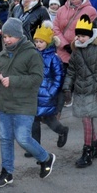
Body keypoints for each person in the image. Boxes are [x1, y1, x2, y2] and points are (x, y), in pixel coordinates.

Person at [0, 18, 56, 187]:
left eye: (10, 36)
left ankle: (45, 158)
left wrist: (13, 80)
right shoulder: (2, 54)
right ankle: (7, 172)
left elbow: (36, 79)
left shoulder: (31, 54)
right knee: (5, 139)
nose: (7, 40)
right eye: (5, 36)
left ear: (19, 36)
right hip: (5, 103)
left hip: (24, 104)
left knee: (22, 138)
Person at [62, 15, 97, 168]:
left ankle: (87, 152)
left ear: (89, 35)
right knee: (87, 119)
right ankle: (94, 147)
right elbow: (71, 70)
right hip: (80, 89)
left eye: (83, 36)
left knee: (86, 119)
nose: (80, 38)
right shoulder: (76, 48)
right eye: (78, 35)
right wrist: (67, 88)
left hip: (94, 90)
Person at [29, 21, 69, 153]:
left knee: (48, 119)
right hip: (34, 92)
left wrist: (51, 92)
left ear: (48, 42)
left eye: (41, 41)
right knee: (34, 119)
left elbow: (58, 77)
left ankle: (62, 131)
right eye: (37, 41)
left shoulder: (54, 58)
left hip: (47, 94)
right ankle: (36, 147)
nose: (38, 44)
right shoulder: (33, 55)